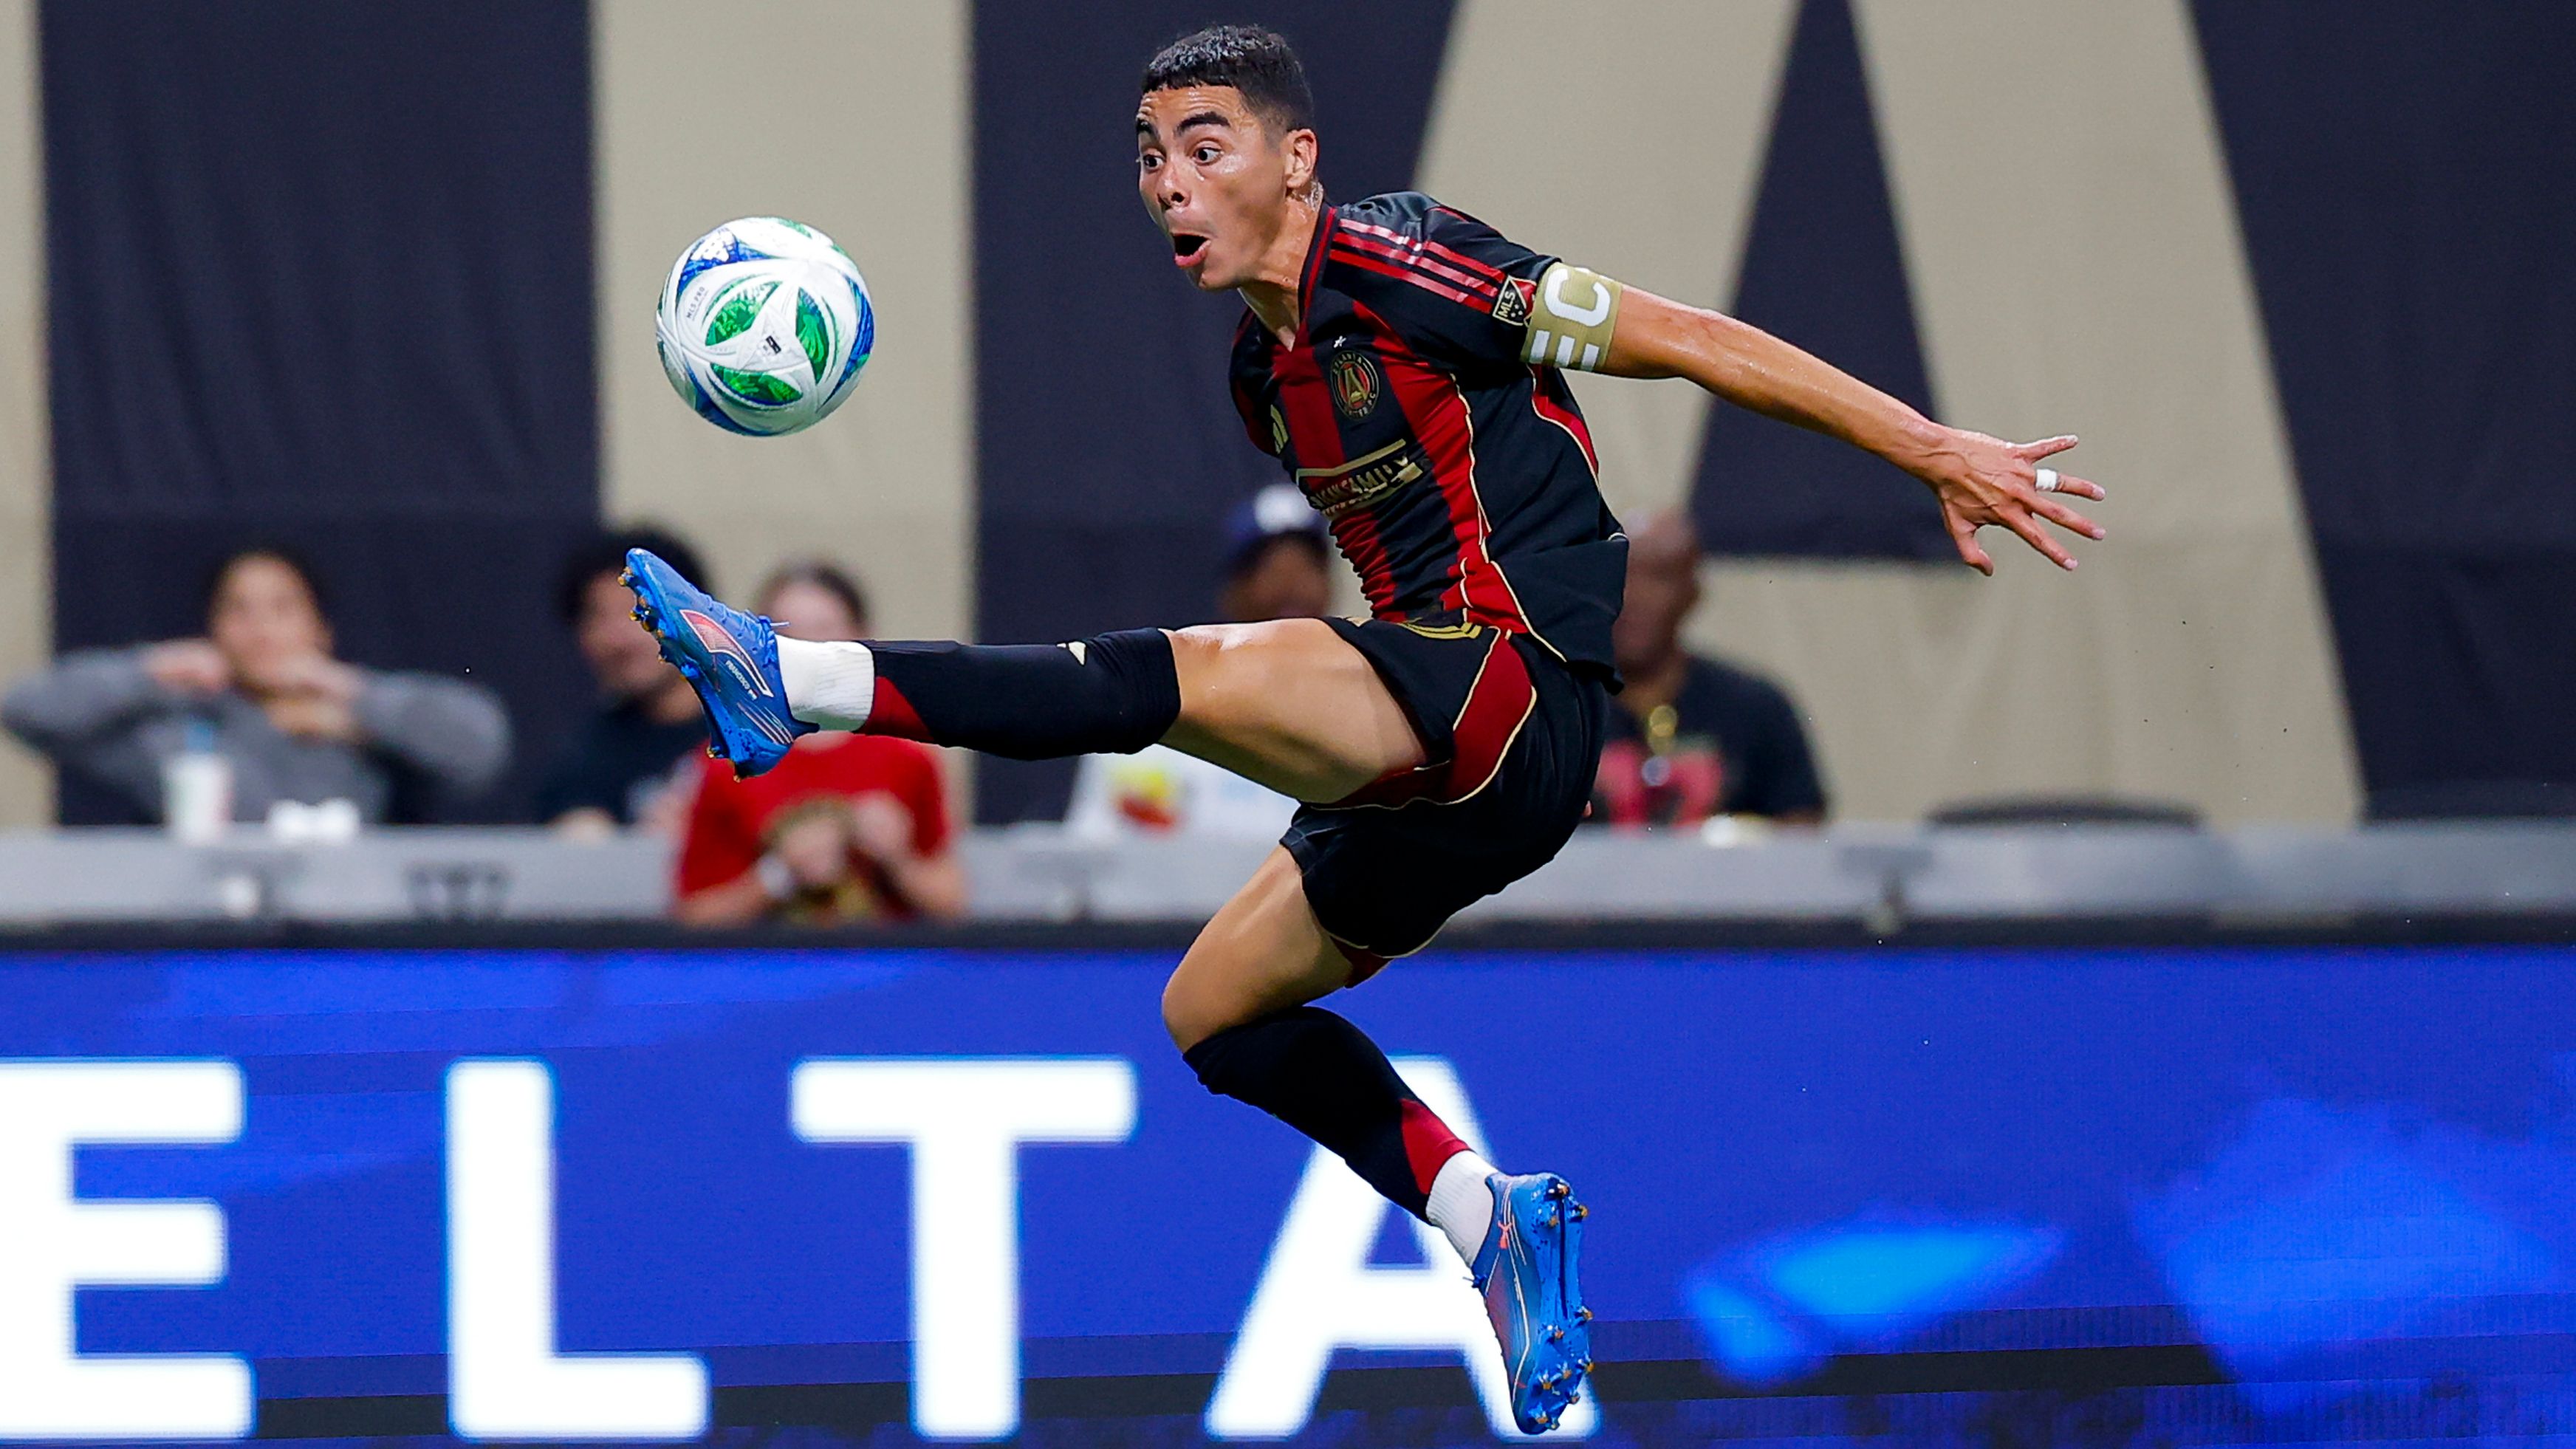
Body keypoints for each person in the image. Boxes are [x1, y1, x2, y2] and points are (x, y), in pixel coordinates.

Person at [617, 26, 2103, 1431]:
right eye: (1148, 155)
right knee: (1210, 1014)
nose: (1169, 183)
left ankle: (793, 685)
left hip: (1510, 691)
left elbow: (1681, 335)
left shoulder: (1405, 255)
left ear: (1298, 160)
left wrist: (1925, 446)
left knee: (1171, 676)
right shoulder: (1264, 379)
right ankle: (1488, 1217)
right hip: (1462, 773)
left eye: (1204, 147)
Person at [4, 545, 508, 824]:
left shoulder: (370, 727)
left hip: (356, 956)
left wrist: (353, 695)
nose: (260, 628)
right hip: (199, 956)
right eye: (237, 609)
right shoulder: (176, 727)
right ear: (213, 627)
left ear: (320, 630)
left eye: (282, 609)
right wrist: (151, 668)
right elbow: (25, 710)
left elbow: (481, 746)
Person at [674, 561, 965, 924]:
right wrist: (779, 875)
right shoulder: (725, 762)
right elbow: (691, 918)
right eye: (787, 633)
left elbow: (953, 904)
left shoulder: (908, 759)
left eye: (824, 631)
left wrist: (896, 859)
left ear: (865, 640)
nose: (807, 649)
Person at [1063, 483, 1326, 840]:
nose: (1293, 585)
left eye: (1309, 567)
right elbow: (1097, 867)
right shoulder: (1157, 708)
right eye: (1270, 569)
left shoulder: (1363, 708)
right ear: (1231, 591)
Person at [1592, 510, 1826, 828]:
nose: (1635, 596)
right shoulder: (1550, 706)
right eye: (1620, 576)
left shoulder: (1756, 708)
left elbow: (1802, 834)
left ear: (1692, 593)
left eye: (1659, 577)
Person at [533, 527, 716, 836]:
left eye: (638, 612)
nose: (620, 638)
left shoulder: (762, 730)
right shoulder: (586, 758)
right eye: (598, 617)